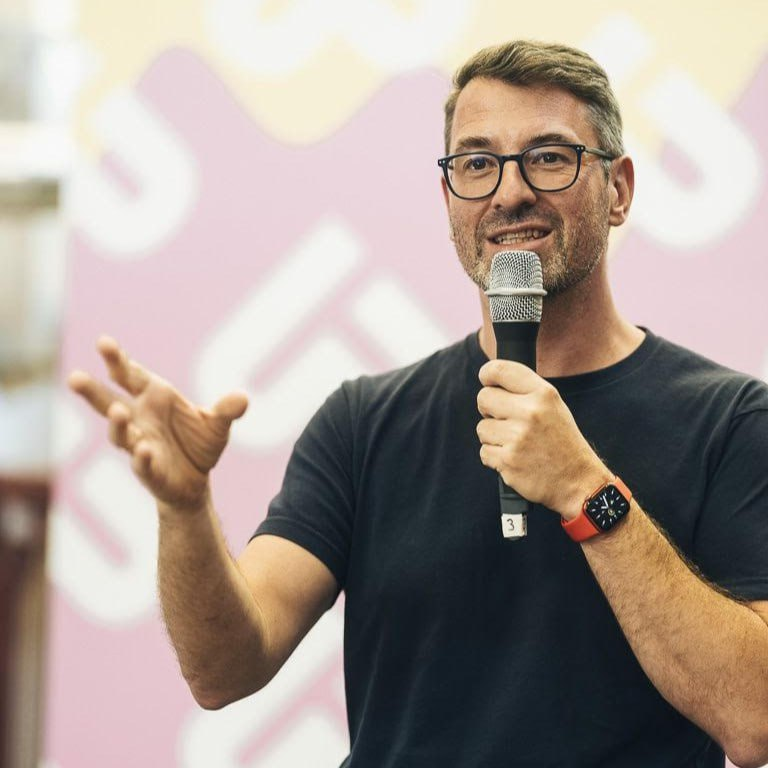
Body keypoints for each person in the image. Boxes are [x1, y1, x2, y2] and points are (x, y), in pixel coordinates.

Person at [68, 40, 768, 768]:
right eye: (477, 163)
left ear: (618, 189)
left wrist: (585, 492)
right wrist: (184, 510)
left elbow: (756, 719)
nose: (509, 192)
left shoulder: (732, 422)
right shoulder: (363, 424)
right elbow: (223, 672)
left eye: (549, 157)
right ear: (448, 197)